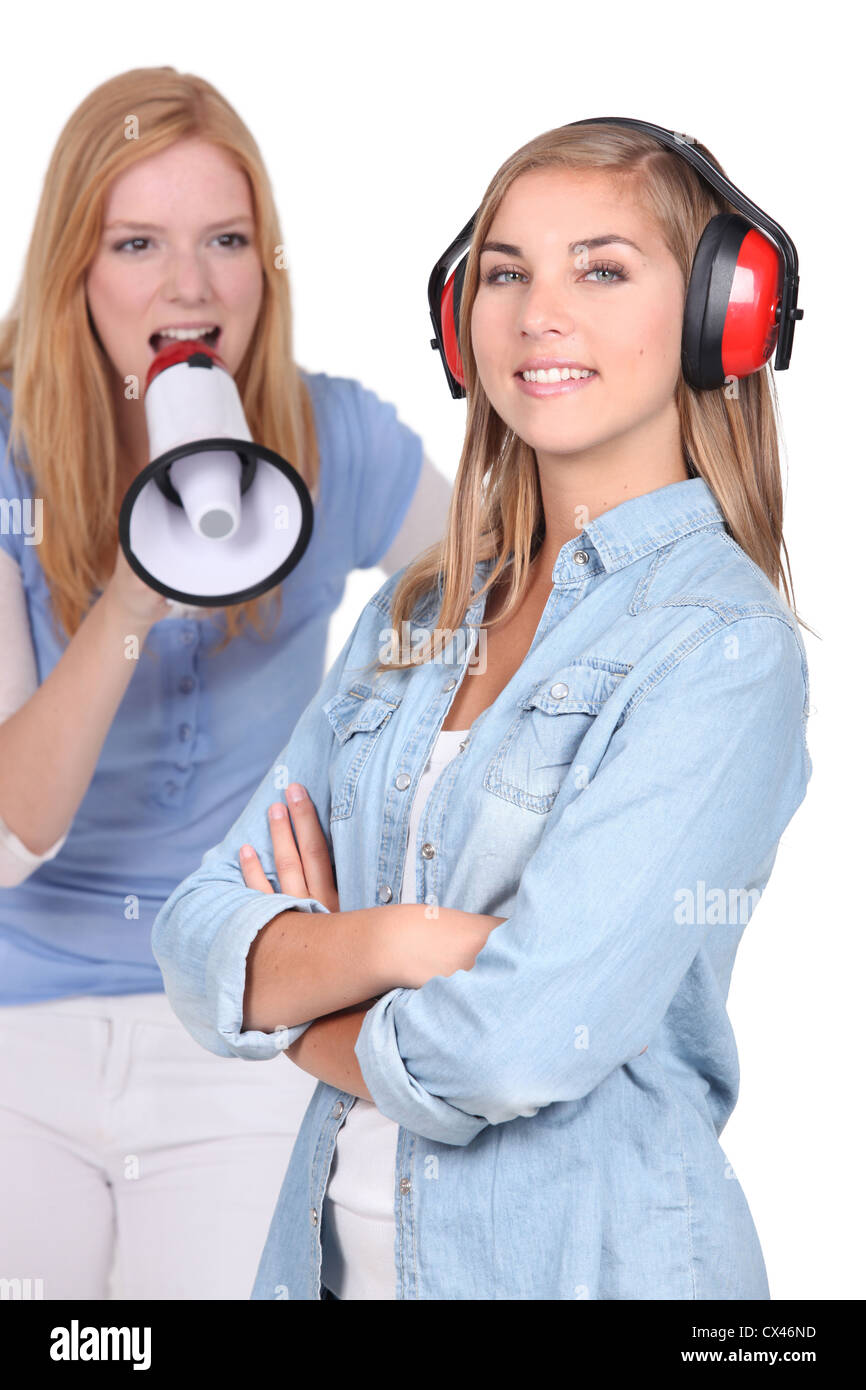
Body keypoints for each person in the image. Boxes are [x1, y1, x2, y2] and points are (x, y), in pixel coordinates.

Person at [151, 120, 814, 1300]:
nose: (534, 313)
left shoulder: (721, 649)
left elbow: (512, 1044)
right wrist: (398, 942)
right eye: (504, 271)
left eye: (599, 269)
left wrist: (303, 1009)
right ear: (461, 318)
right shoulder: (415, 614)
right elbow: (198, 937)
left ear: (725, 314)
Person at [0, 66, 452, 1301]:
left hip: (235, 1016)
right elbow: (7, 836)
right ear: (75, 276)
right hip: (16, 1025)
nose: (188, 286)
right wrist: (135, 594)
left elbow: (508, 600)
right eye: (136, 242)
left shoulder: (334, 441)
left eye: (225, 241)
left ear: (266, 269)